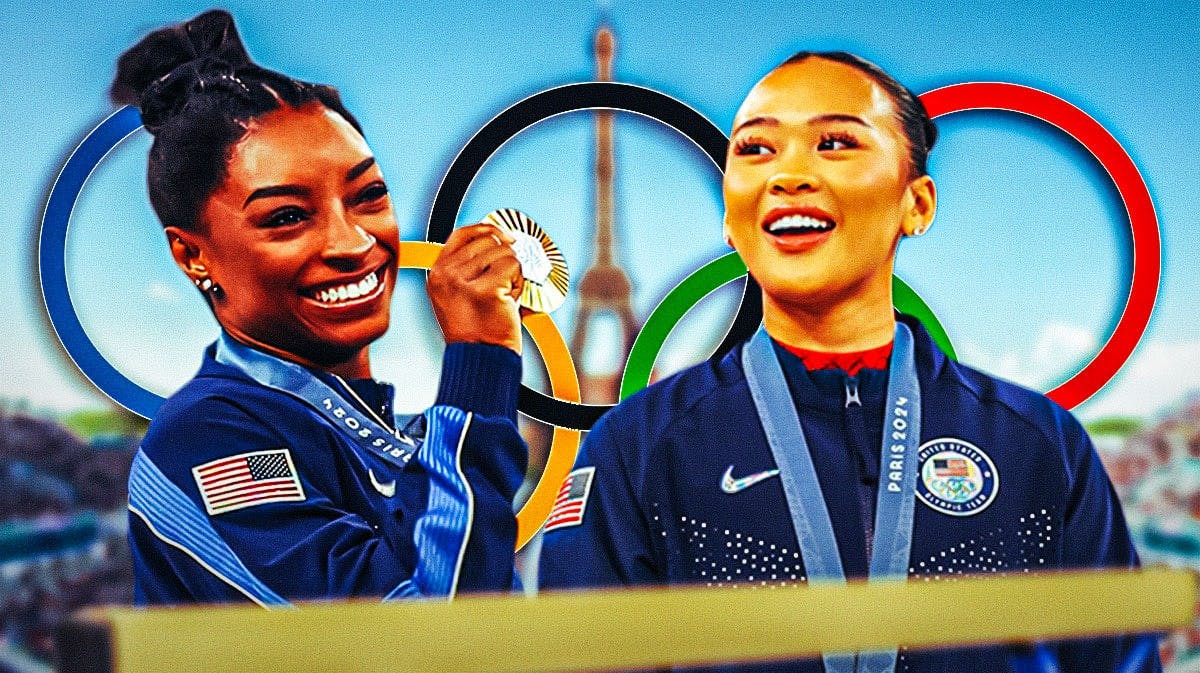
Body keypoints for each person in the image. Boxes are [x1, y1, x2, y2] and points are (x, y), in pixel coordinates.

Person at [539, 51, 1159, 672]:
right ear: (730, 218)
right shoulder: (635, 448)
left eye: (835, 142)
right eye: (756, 150)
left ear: (916, 204)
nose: (788, 176)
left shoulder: (1041, 445)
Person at [118, 10, 528, 606]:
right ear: (191, 254)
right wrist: (481, 362)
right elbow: (433, 644)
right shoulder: (208, 439)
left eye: (369, 196)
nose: (354, 243)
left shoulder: (391, 432)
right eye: (287, 217)